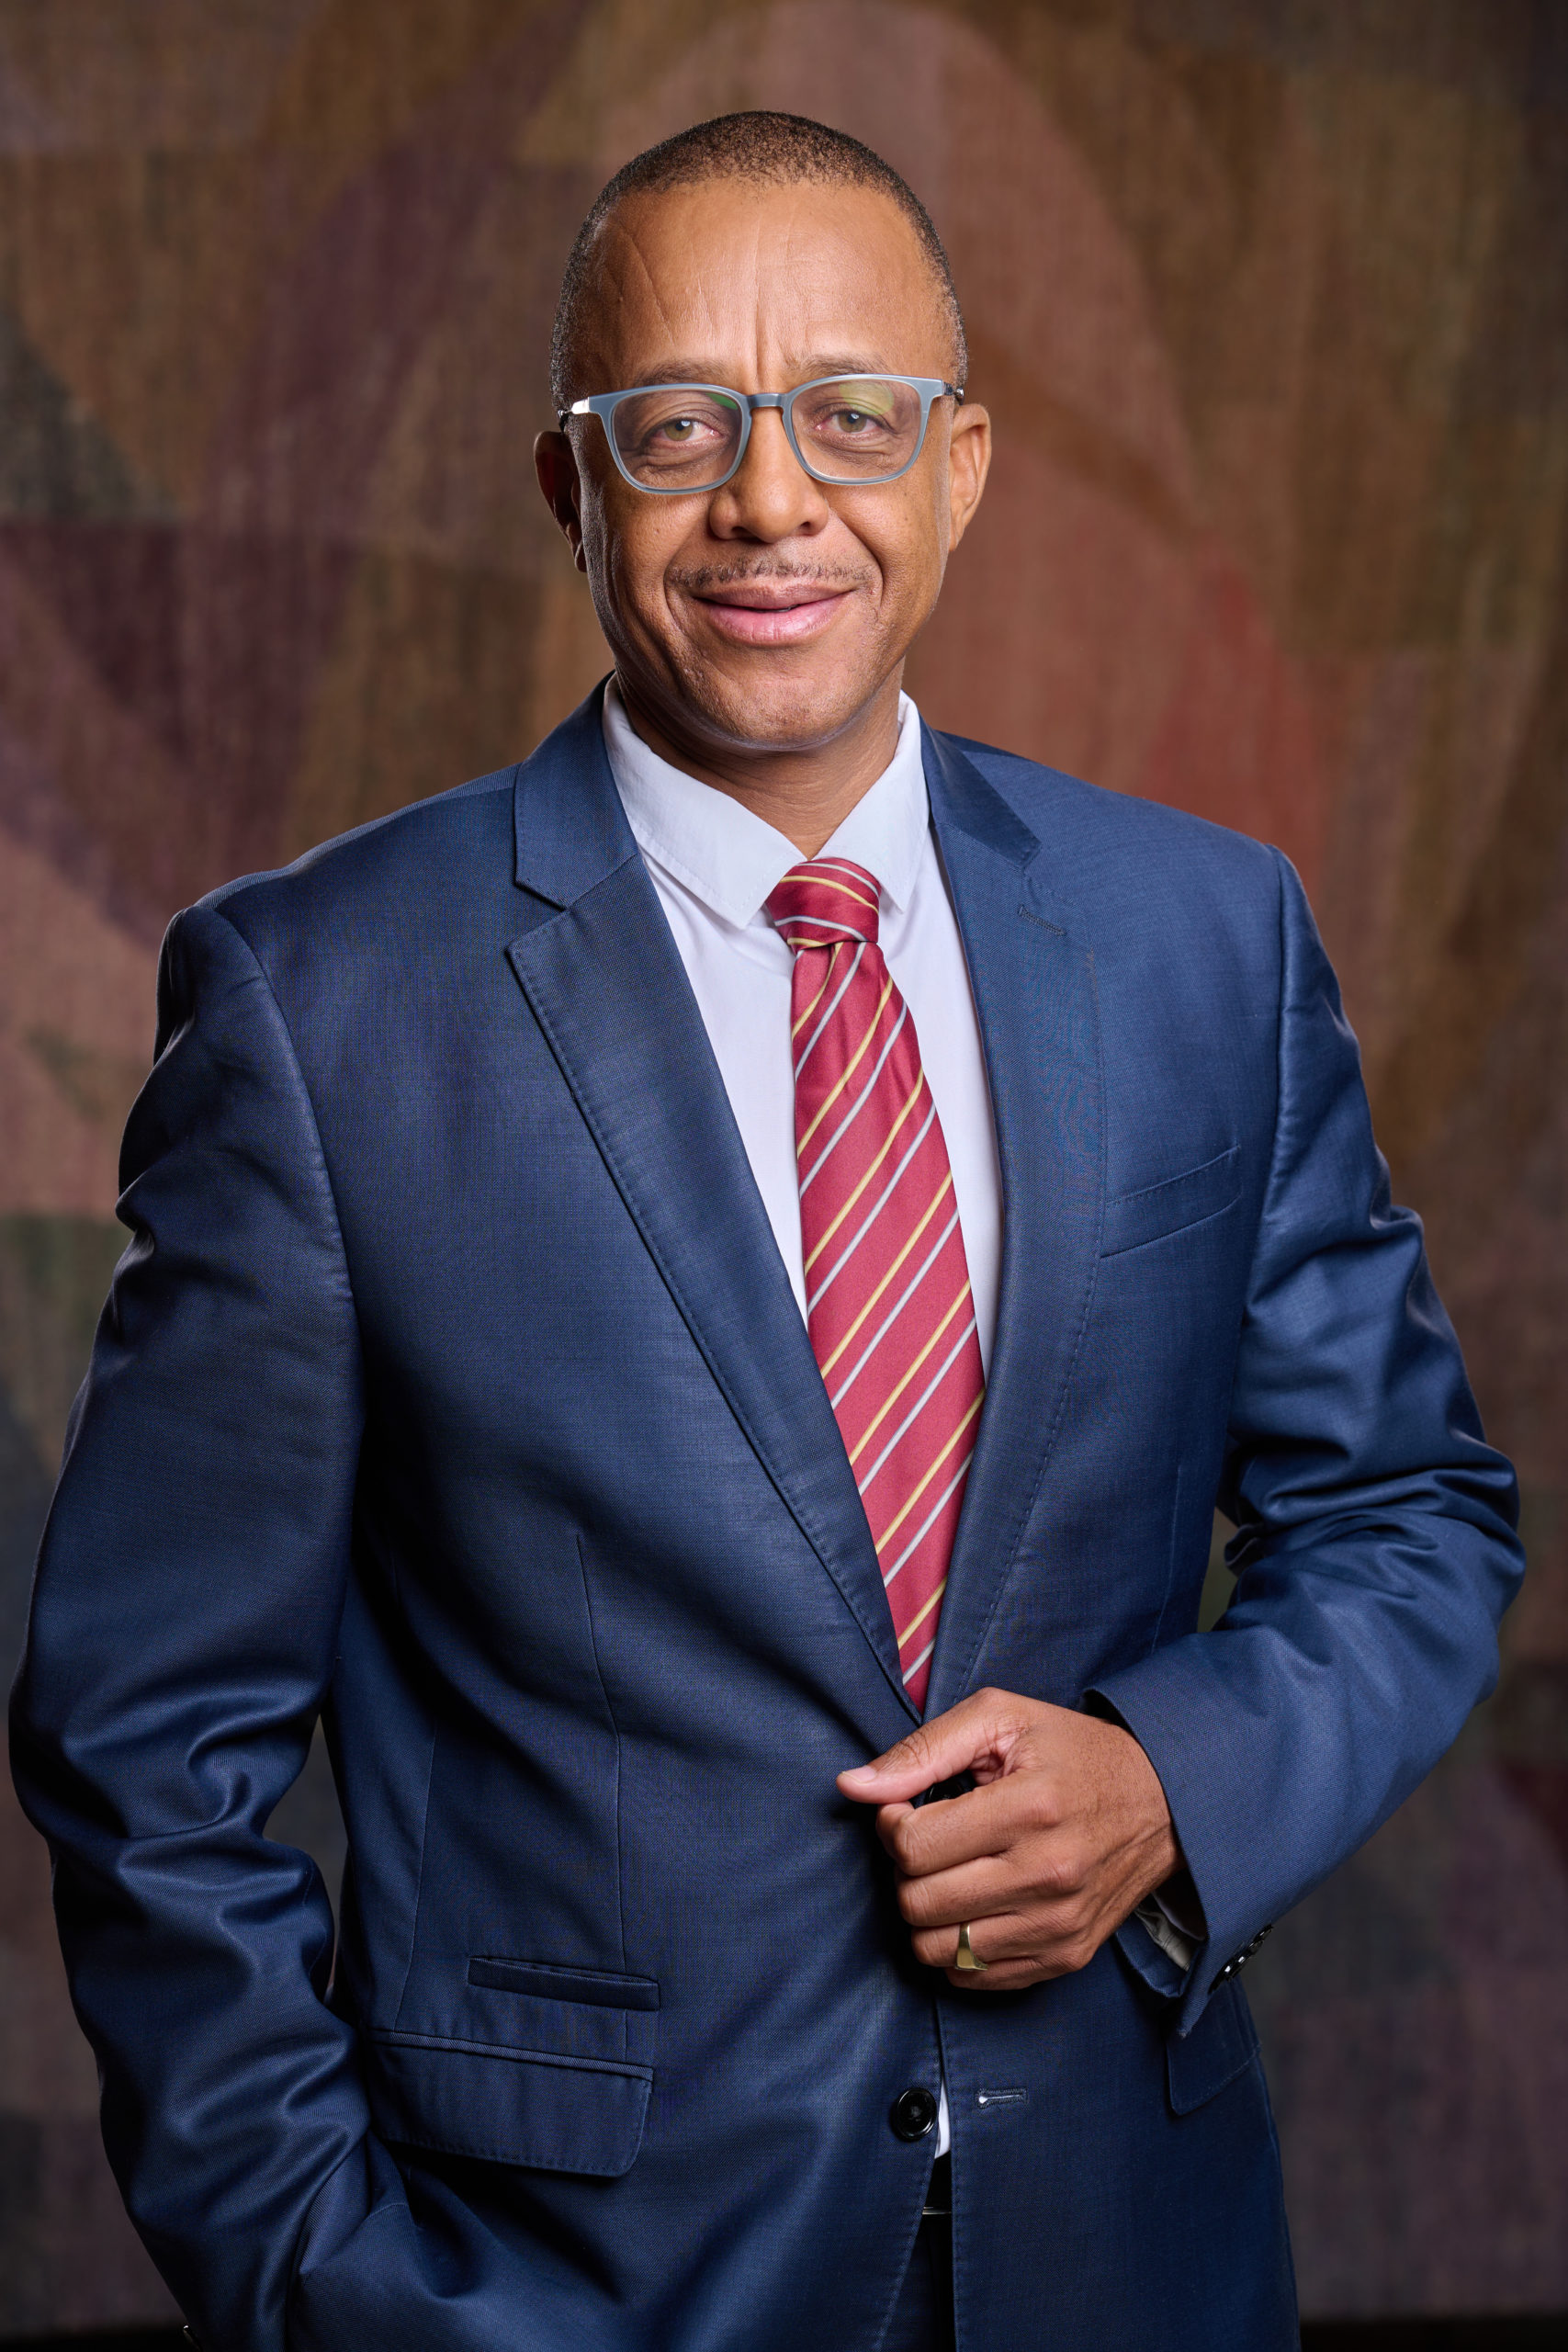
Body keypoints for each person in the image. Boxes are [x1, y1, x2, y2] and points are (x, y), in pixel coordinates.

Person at [10, 111, 1521, 2352]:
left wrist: (1172, 1784)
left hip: (1131, 2261)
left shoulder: (1203, 937)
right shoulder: (319, 1009)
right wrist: (331, 2285)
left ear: (961, 466)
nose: (769, 498)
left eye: (851, 415)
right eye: (677, 426)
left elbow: (1405, 1511)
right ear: (568, 483)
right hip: (565, 2289)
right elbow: (147, 1739)